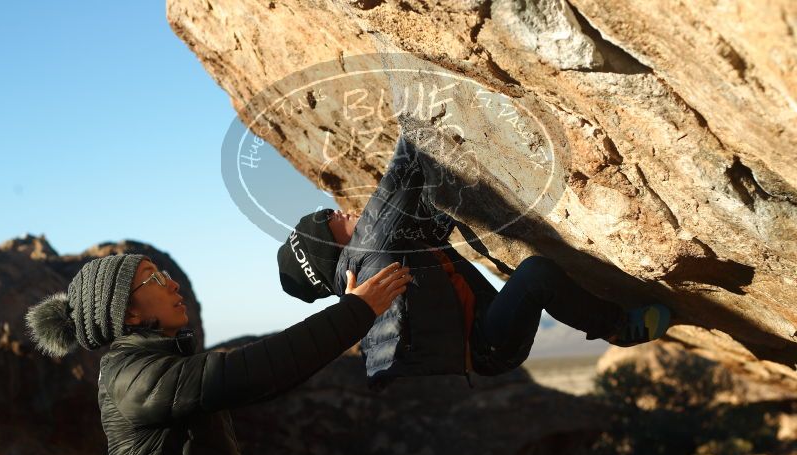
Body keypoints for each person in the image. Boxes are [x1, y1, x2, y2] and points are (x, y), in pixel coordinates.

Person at [24, 253, 412, 455]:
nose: (172, 283)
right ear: (128, 314)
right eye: (154, 278)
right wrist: (355, 311)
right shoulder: (133, 379)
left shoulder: (146, 369)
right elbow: (256, 371)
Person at [277, 130, 671, 391]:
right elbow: (399, 177)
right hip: (490, 346)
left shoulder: (374, 266)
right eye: (329, 221)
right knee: (536, 275)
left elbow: (426, 232)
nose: (338, 212)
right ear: (328, 251)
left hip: (481, 338)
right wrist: (420, 110)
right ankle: (619, 328)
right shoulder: (367, 252)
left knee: (514, 268)